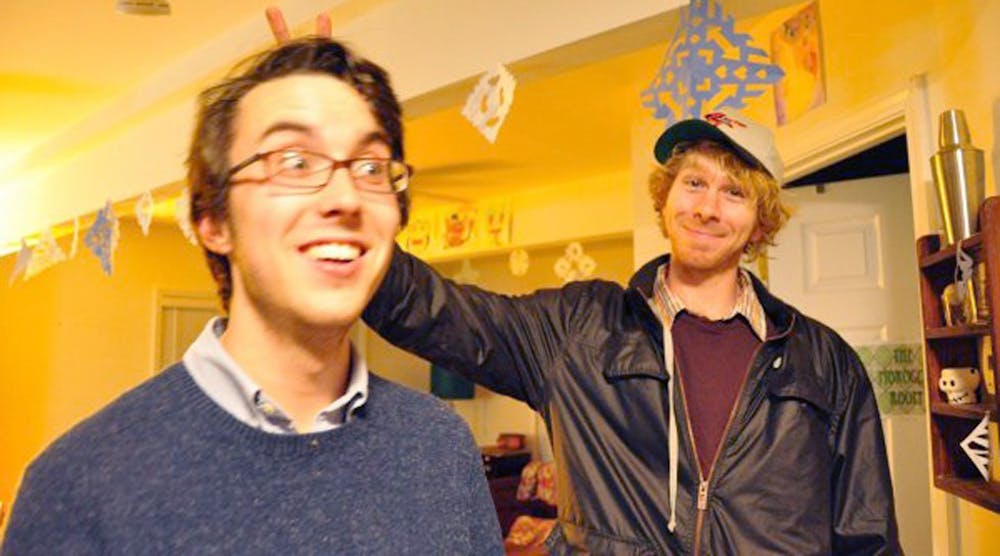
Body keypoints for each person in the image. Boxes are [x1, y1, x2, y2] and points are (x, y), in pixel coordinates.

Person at [2, 37, 502, 554]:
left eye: (372, 167)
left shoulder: (438, 445)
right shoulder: (78, 485)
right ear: (213, 221)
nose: (346, 197)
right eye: (294, 162)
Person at [361, 109, 901, 553]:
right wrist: (345, 207)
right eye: (693, 183)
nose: (707, 207)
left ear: (760, 223)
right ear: (665, 200)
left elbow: (868, 537)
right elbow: (429, 309)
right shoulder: (576, 330)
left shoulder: (826, 361)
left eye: (734, 192)